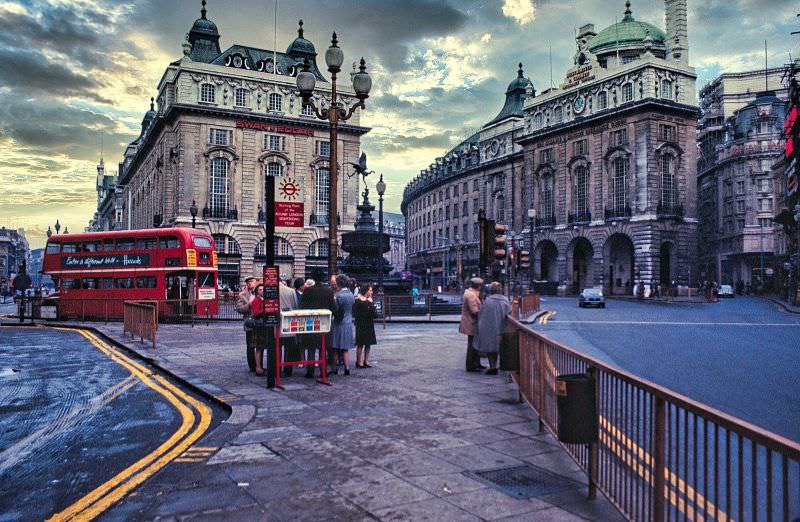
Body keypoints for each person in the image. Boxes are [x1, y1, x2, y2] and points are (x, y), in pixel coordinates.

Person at [299, 278, 336, 378]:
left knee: (311, 347)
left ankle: (310, 371)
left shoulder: (308, 291)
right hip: (324, 323)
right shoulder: (328, 291)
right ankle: (322, 370)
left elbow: (302, 306)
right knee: (322, 348)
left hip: (311, 322)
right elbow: (333, 308)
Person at [474, 282, 511, 375]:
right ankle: (500, 365)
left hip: (490, 328)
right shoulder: (505, 301)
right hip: (502, 328)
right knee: (500, 348)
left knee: (491, 348)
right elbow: (510, 314)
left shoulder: (487, 301)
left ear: (491, 291)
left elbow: (481, 314)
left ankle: (492, 366)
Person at [459, 277, 485, 372]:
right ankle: (471, 366)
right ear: (478, 286)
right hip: (471, 323)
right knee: (472, 345)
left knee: (475, 344)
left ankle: (477, 364)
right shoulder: (471, 295)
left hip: (472, 323)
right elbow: (474, 311)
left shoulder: (472, 293)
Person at [331, 274, 355, 375]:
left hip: (339, 323)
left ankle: (334, 368)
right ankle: (347, 368)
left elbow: (335, 309)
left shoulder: (339, 295)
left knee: (336, 348)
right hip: (348, 322)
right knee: (345, 349)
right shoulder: (350, 294)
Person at [236, 276, 259, 372]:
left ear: (255, 282)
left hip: (259, 322)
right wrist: (248, 306)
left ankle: (259, 365)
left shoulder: (260, 292)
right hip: (249, 323)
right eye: (248, 282)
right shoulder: (242, 295)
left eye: (252, 281)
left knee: (260, 345)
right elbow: (239, 309)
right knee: (250, 345)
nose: (250, 283)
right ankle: (252, 366)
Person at [353, 284, 377, 368]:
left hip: (369, 323)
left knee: (368, 343)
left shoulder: (370, 300)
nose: (371, 292)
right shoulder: (358, 300)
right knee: (360, 343)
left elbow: (375, 314)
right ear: (366, 291)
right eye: (370, 290)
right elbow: (355, 313)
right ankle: (358, 361)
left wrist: (371, 306)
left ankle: (366, 360)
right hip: (361, 323)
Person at [279, 280, 299, 377]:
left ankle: (277, 369)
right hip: (289, 322)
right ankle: (288, 369)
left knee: (277, 348)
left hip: (276, 323)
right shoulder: (291, 291)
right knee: (289, 347)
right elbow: (295, 307)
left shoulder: (270, 290)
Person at [249, 283, 269, 376]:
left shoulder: (262, 299)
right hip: (258, 326)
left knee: (261, 347)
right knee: (259, 348)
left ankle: (260, 366)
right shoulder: (256, 300)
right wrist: (266, 309)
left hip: (262, 326)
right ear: (257, 292)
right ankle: (258, 368)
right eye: (260, 290)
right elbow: (256, 313)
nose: (262, 291)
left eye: (263, 289)